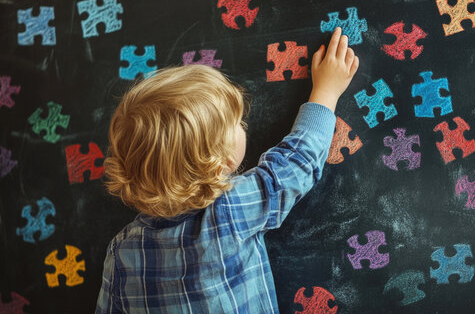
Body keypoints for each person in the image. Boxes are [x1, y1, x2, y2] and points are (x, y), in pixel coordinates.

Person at [96, 27, 359, 313]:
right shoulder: (229, 212)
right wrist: (326, 92)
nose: (243, 124)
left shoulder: (121, 252)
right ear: (218, 162)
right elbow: (296, 163)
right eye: (235, 123)